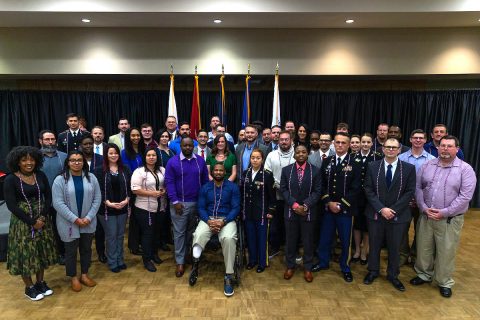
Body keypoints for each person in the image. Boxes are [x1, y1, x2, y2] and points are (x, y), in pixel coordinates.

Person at [411, 135, 476, 298]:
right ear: (438, 147)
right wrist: (424, 208)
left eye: (449, 146)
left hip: (449, 219)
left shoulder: (465, 169)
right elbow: (418, 188)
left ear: (457, 149)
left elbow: (465, 197)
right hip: (426, 216)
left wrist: (444, 212)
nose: (445, 149)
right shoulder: (427, 165)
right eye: (442, 145)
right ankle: (423, 275)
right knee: (423, 248)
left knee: (446, 251)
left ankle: (443, 281)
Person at [4, 146, 58, 301]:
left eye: (32, 159)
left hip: (42, 220)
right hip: (23, 223)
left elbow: (48, 196)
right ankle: (29, 287)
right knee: (26, 255)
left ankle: (40, 282)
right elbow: (11, 205)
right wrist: (32, 222)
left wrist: (42, 217)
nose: (29, 162)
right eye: (24, 160)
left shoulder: (40, 175)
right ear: (17, 162)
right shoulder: (10, 179)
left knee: (41, 252)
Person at [363, 138, 416, 291]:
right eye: (388, 147)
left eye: (394, 147)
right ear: (382, 149)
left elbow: (410, 192)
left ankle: (393, 275)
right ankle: (373, 271)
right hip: (375, 214)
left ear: (400, 149)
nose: (391, 150)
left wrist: (393, 210)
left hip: (398, 216)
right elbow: (368, 189)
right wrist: (381, 209)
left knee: (395, 247)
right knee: (375, 245)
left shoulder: (408, 168)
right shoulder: (373, 166)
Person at [314, 132, 362, 282]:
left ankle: (345, 267)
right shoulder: (327, 161)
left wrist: (341, 204)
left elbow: (356, 188)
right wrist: (328, 202)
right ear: (333, 144)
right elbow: (321, 184)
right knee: (325, 238)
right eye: (338, 142)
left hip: (345, 210)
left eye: (343, 143)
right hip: (328, 208)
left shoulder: (355, 162)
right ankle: (323, 262)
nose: (340, 145)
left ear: (348, 145)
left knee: (345, 240)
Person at [188, 163, 240, 297]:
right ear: (212, 173)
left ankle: (228, 275)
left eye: (220, 170)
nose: (218, 172)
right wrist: (209, 221)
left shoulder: (233, 187)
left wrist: (224, 221)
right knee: (198, 234)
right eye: (215, 170)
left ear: (225, 172)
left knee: (228, 238)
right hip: (208, 219)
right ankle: (195, 264)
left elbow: (236, 208)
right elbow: (201, 208)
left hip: (226, 220)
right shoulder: (205, 188)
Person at [52, 150, 101, 292]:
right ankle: (73, 277)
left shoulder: (91, 178)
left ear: (84, 162)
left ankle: (84, 274)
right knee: (71, 251)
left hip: (88, 221)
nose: (76, 163)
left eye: (79, 160)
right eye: (73, 160)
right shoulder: (60, 180)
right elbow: (58, 203)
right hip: (68, 223)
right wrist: (75, 219)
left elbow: (97, 199)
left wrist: (88, 217)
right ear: (68, 162)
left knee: (86, 249)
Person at [165, 137, 209, 277]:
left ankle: (188, 255)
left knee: (191, 232)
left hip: (196, 204)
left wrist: (203, 202)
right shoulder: (173, 162)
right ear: (181, 146)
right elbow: (169, 182)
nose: (188, 148)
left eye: (190, 145)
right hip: (180, 204)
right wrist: (175, 201)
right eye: (185, 145)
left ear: (193, 146)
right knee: (179, 233)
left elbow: (205, 182)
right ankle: (180, 262)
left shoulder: (200, 161)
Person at [281, 145, 322, 283]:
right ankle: (290, 266)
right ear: (294, 154)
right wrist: (295, 205)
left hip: (308, 211)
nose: (300, 154)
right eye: (298, 152)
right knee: (291, 240)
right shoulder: (286, 171)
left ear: (307, 154)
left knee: (308, 241)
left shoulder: (315, 171)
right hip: (291, 211)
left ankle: (308, 267)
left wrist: (305, 205)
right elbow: (284, 189)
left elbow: (317, 191)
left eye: (303, 152)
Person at [397, 129, 435, 266]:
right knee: (402, 229)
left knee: (421, 231)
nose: (418, 140)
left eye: (421, 138)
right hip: (404, 202)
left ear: (425, 140)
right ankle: (402, 254)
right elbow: (398, 181)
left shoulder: (432, 161)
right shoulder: (401, 158)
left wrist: (419, 198)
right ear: (410, 140)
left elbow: (431, 184)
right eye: (415, 138)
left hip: (423, 203)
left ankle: (414, 255)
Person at [95, 143, 131, 273]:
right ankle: (112, 261)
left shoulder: (125, 169)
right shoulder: (99, 170)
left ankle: (120, 260)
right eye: (111, 153)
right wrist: (107, 202)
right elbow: (97, 190)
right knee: (111, 236)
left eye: (116, 153)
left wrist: (127, 199)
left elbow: (130, 187)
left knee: (120, 235)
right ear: (106, 155)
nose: (114, 155)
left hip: (122, 207)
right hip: (106, 209)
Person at [131, 147, 167, 272]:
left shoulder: (162, 170)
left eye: (154, 155)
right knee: (148, 234)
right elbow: (135, 189)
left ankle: (154, 254)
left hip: (160, 207)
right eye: (148, 155)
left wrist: (164, 191)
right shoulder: (139, 171)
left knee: (157, 233)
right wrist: (152, 194)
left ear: (157, 157)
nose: (151, 157)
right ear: (144, 157)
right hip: (144, 208)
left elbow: (167, 184)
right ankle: (147, 260)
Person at [241, 149, 276, 273]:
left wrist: (271, 211)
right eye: (253, 158)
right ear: (250, 159)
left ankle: (262, 263)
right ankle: (252, 260)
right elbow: (242, 193)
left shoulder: (267, 175)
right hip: (248, 212)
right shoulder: (245, 173)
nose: (255, 160)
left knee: (262, 239)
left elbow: (272, 196)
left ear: (262, 159)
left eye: (258, 158)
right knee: (250, 238)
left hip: (262, 213)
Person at [350, 133, 382, 265]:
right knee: (357, 226)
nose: (365, 144)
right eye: (363, 142)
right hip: (356, 198)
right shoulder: (352, 157)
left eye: (368, 142)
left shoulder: (377, 157)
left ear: (372, 144)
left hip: (370, 198)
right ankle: (357, 250)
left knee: (367, 227)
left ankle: (364, 251)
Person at [264, 131, 295, 259]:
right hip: (275, 195)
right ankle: (275, 248)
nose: (283, 142)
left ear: (291, 140)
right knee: (275, 226)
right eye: (281, 139)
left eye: (286, 139)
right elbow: (267, 174)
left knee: (292, 225)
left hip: (293, 197)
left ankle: (292, 249)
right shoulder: (271, 155)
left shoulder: (297, 154)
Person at [38, 130, 67, 264]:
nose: (50, 142)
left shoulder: (64, 156)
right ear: (40, 141)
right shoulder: (34, 157)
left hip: (60, 200)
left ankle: (61, 253)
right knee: (42, 229)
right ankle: (44, 256)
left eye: (53, 139)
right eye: (47, 139)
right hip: (40, 201)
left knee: (58, 228)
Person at [79, 134, 105, 263]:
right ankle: (85, 256)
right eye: (85, 144)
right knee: (84, 230)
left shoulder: (101, 158)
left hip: (98, 198)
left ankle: (101, 252)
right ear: (80, 146)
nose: (88, 146)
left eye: (90, 143)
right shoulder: (76, 159)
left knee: (99, 229)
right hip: (81, 198)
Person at [120, 127, 144, 256]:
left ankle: (141, 242)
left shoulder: (142, 150)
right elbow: (126, 171)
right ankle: (133, 245)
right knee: (135, 219)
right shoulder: (124, 153)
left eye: (137, 135)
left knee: (143, 218)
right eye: (133, 135)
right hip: (134, 189)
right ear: (128, 137)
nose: (136, 138)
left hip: (145, 188)